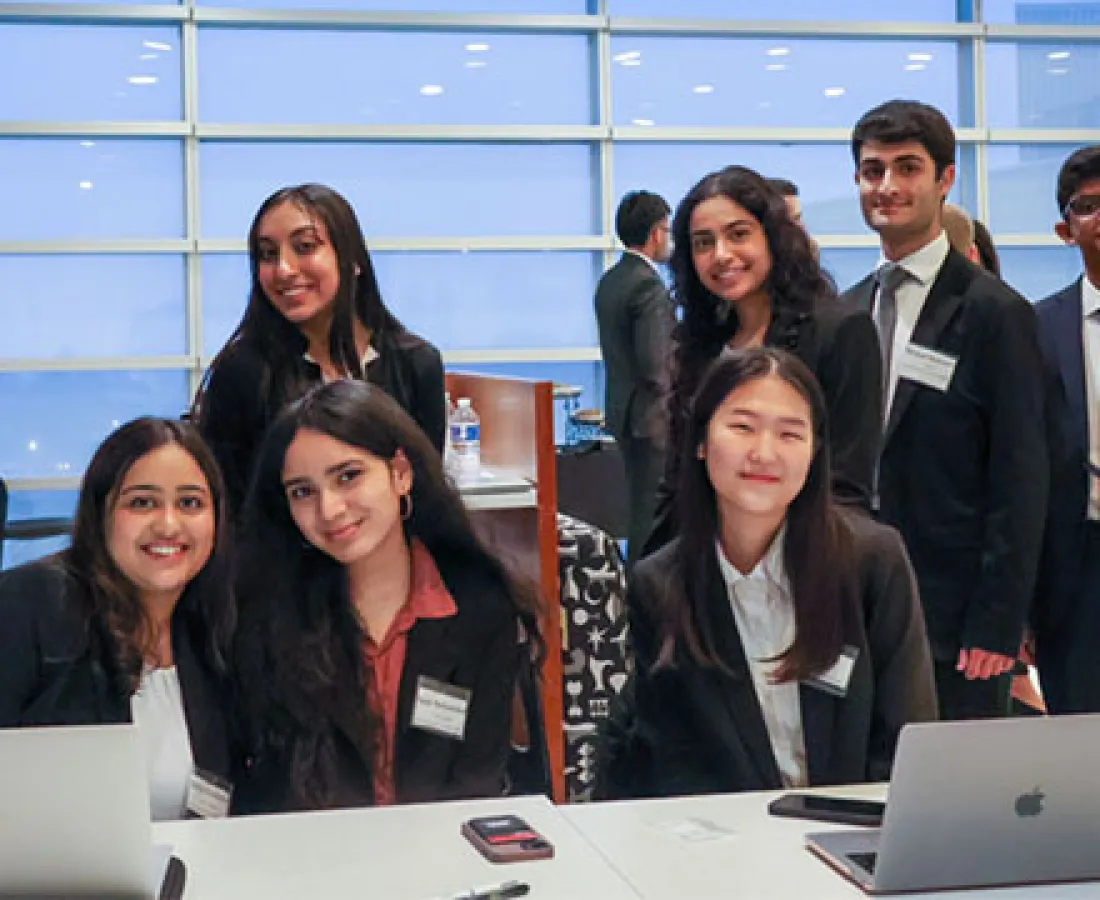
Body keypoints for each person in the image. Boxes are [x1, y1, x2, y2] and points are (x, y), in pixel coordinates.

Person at [597, 349, 936, 799]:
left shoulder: (872, 560)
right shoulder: (659, 584)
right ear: (700, 441)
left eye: (790, 434)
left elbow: (907, 740)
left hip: (857, 834)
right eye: (742, 427)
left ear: (815, 452)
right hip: (730, 843)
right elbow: (674, 758)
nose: (764, 453)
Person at [231, 379, 541, 813]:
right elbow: (266, 790)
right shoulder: (268, 612)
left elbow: (477, 783)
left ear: (400, 473)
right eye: (303, 492)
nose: (330, 510)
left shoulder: (478, 605)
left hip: (444, 854)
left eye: (348, 476)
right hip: (310, 859)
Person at [842, 99, 1049, 720]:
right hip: (855, 600)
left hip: (957, 618)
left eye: (907, 168)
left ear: (945, 179)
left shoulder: (996, 312)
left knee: (958, 795)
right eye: (872, 170)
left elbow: (1021, 478)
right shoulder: (846, 310)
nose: (888, 187)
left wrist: (999, 621)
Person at [0, 419, 234, 821]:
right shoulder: (31, 605)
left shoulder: (217, 628)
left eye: (190, 503)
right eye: (142, 502)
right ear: (101, 514)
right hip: (47, 879)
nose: (168, 524)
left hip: (192, 873)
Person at [643, 165, 881, 555]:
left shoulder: (839, 331)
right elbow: (681, 476)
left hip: (808, 562)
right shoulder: (703, 343)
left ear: (774, 238)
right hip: (706, 564)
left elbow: (848, 482)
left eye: (738, 235)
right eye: (703, 243)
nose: (721, 255)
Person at [193, 183, 446, 518]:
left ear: (352, 259)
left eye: (305, 246)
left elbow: (427, 497)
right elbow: (230, 507)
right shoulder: (244, 370)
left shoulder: (416, 363)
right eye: (268, 254)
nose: (284, 269)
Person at [1033, 145, 1100, 714]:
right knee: (1080, 734)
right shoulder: (1034, 327)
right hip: (1074, 566)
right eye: (1088, 206)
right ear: (1065, 229)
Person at [594, 190, 675, 562]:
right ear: (656, 234)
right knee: (651, 511)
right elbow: (655, 362)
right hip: (652, 419)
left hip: (623, 414)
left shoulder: (610, 281)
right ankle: (644, 590)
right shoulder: (649, 287)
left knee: (637, 505)